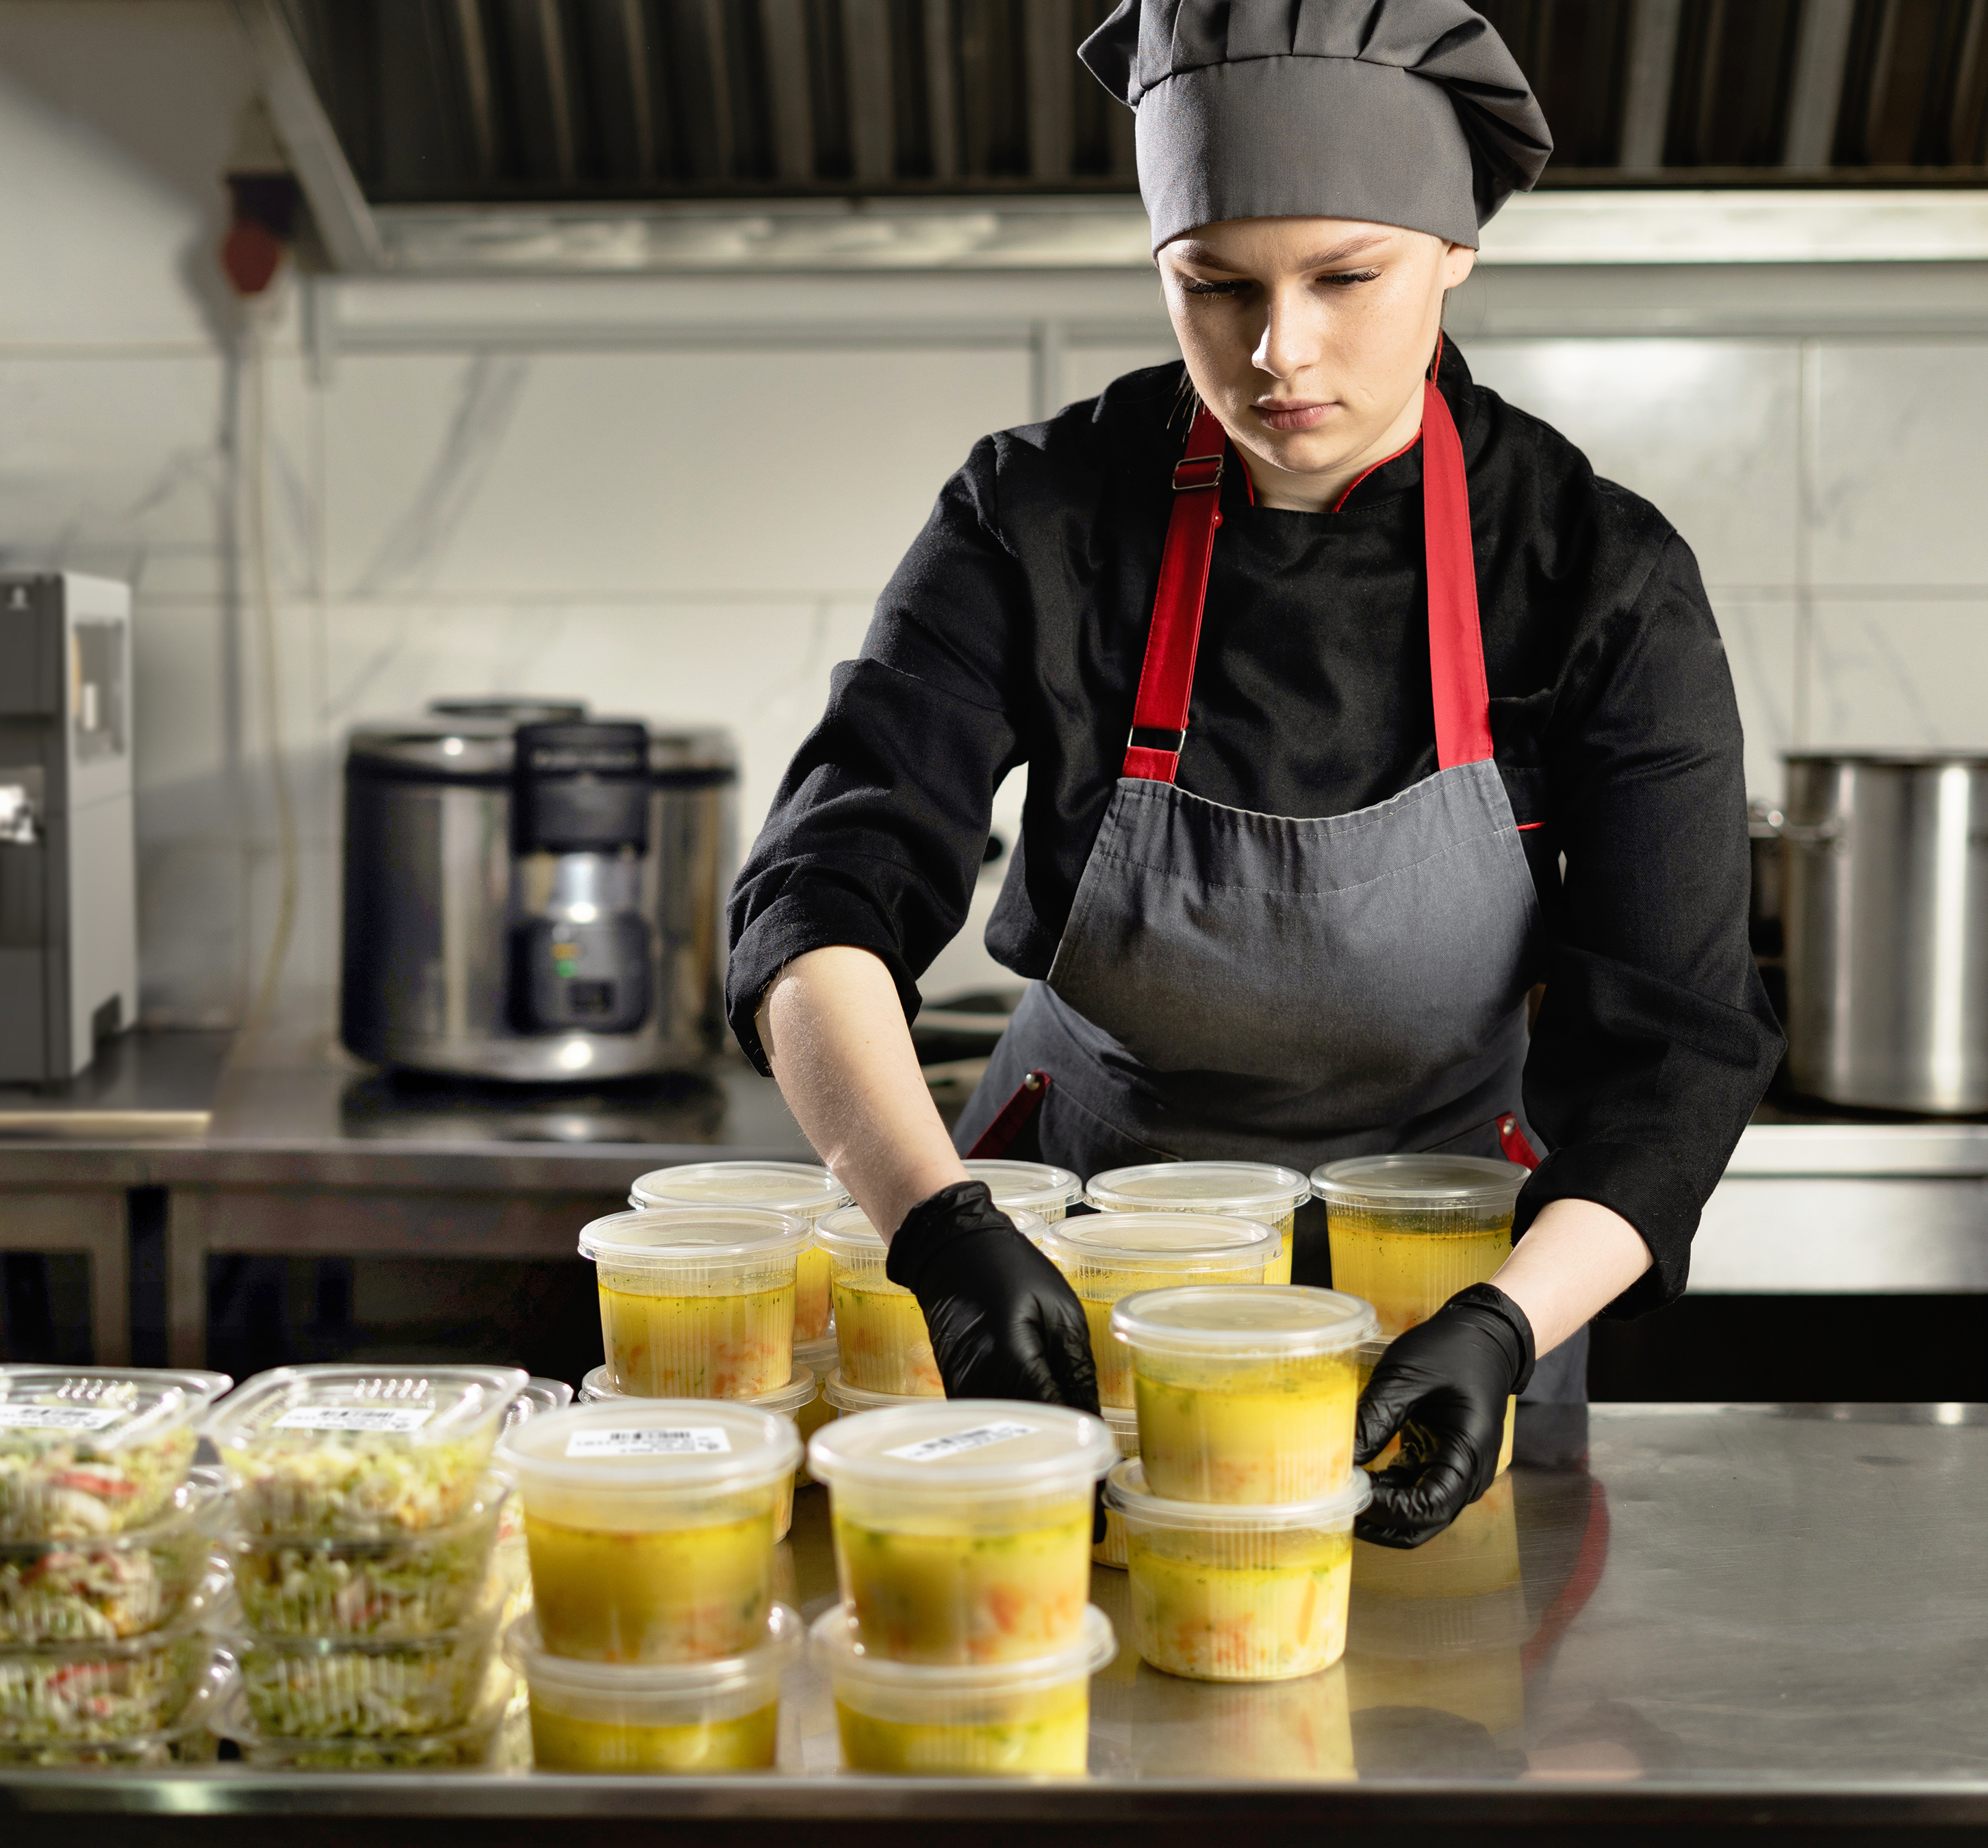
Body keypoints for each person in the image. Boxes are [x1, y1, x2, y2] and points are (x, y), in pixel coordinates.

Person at [724, 0, 1783, 1546]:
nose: (1278, 352)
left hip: (1456, 1288)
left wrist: (1501, 1328)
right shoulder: (1038, 518)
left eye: (1345, 279)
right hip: (1060, 1276)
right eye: (1214, 289)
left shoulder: (1593, 574)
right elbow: (818, 893)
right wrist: (936, 1227)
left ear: (1454, 253)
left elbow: (1678, 1057)